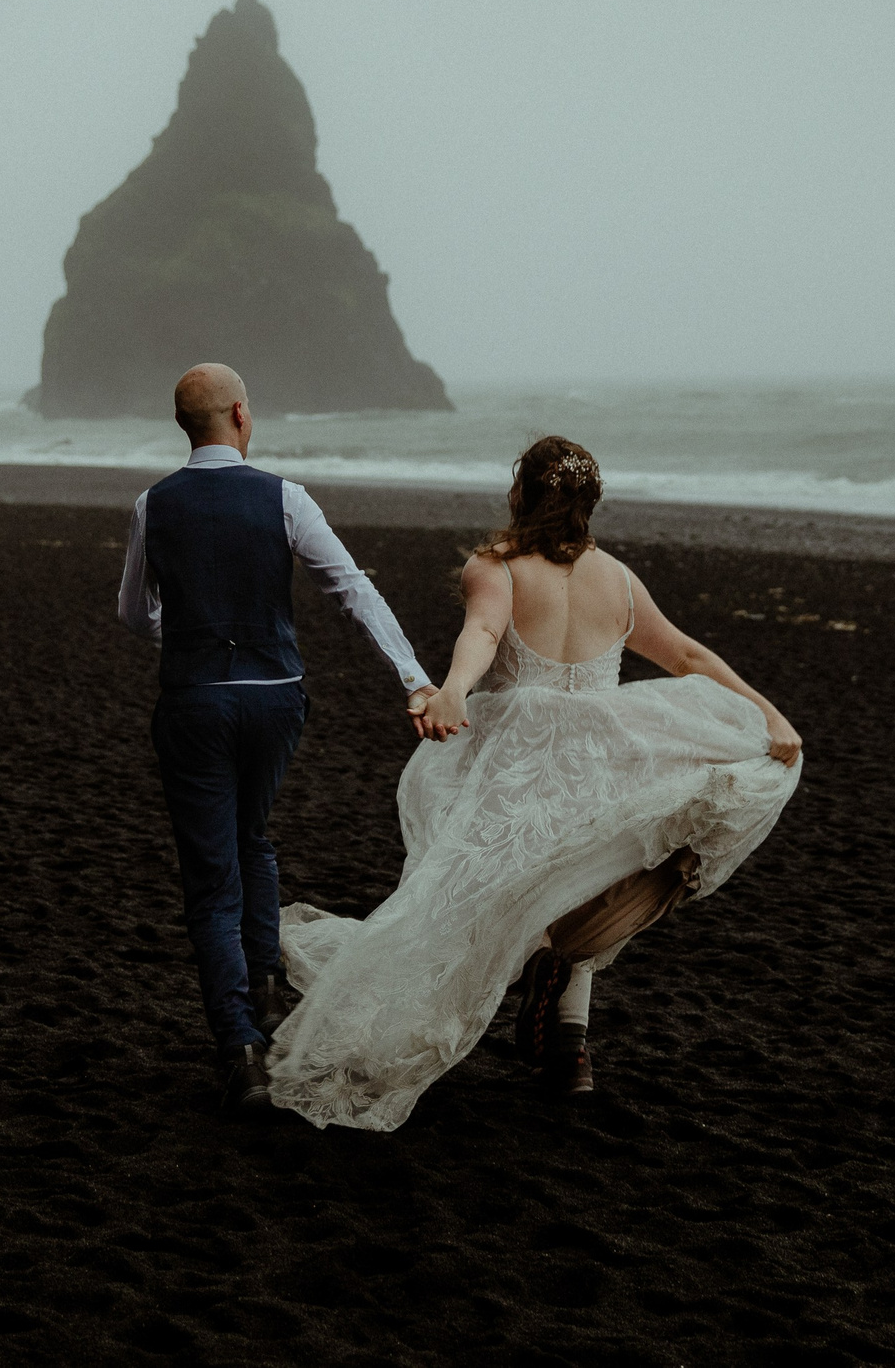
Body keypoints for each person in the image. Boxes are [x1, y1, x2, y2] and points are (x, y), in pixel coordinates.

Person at [265, 435, 804, 1132]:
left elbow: (484, 632)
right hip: (604, 757)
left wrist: (455, 688)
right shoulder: (617, 577)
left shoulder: (496, 565)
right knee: (581, 876)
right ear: (589, 502)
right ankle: (571, 1052)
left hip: (522, 757)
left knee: (483, 897)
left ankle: (547, 1019)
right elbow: (687, 654)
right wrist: (770, 712)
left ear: (521, 493)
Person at [117, 362, 437, 1114]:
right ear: (239, 413)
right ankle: (263, 987)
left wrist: (184, 635)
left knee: (211, 878)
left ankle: (241, 1050)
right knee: (252, 837)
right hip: (273, 699)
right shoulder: (285, 497)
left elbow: (134, 613)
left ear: (184, 425)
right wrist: (414, 679)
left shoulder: (151, 504)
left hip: (195, 700)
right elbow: (351, 587)